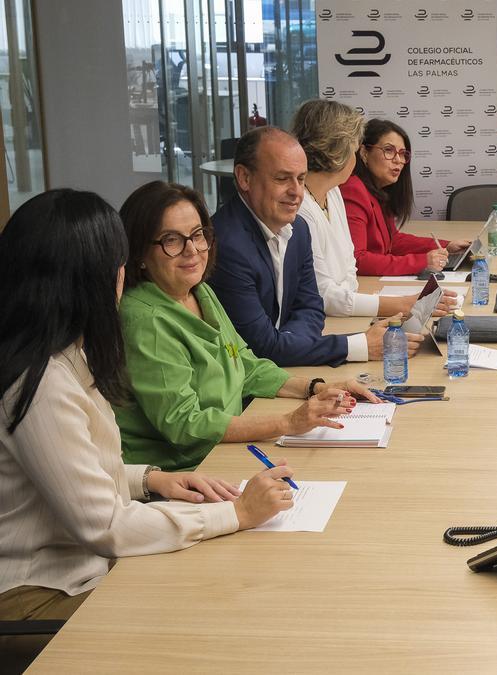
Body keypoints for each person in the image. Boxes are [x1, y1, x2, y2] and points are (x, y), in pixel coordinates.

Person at [0, 189, 293, 669]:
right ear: (90, 280)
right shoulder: (40, 381)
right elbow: (105, 527)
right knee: (212, 623)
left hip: (79, 568)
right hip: (39, 597)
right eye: (117, 265)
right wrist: (237, 514)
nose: (123, 279)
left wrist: (149, 479)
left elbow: (76, 470)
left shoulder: (65, 356)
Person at [116, 180, 386, 472]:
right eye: (172, 240)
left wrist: (316, 388)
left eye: (197, 235)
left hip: (225, 449)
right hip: (187, 470)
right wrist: (286, 422)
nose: (192, 250)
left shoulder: (197, 290)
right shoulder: (146, 321)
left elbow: (244, 362)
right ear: (140, 253)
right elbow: (184, 424)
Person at [207, 126, 408, 367]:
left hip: (286, 366)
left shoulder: (298, 228)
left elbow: (311, 307)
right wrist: (358, 345)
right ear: (244, 178)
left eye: (301, 179)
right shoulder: (226, 244)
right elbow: (261, 348)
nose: (296, 192)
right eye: (282, 179)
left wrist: (289, 345)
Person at [291, 99, 456, 319]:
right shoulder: (303, 208)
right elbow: (328, 291)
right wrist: (403, 304)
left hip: (343, 311)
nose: (355, 156)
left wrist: (446, 246)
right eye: (353, 148)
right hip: (324, 320)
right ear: (338, 150)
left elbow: (349, 268)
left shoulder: (333, 193)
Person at [342, 118, 471, 276]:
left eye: (403, 154)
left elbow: (393, 241)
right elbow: (357, 260)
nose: (398, 160)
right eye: (389, 150)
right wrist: (423, 262)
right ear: (364, 153)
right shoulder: (353, 190)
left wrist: (447, 246)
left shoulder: (379, 190)